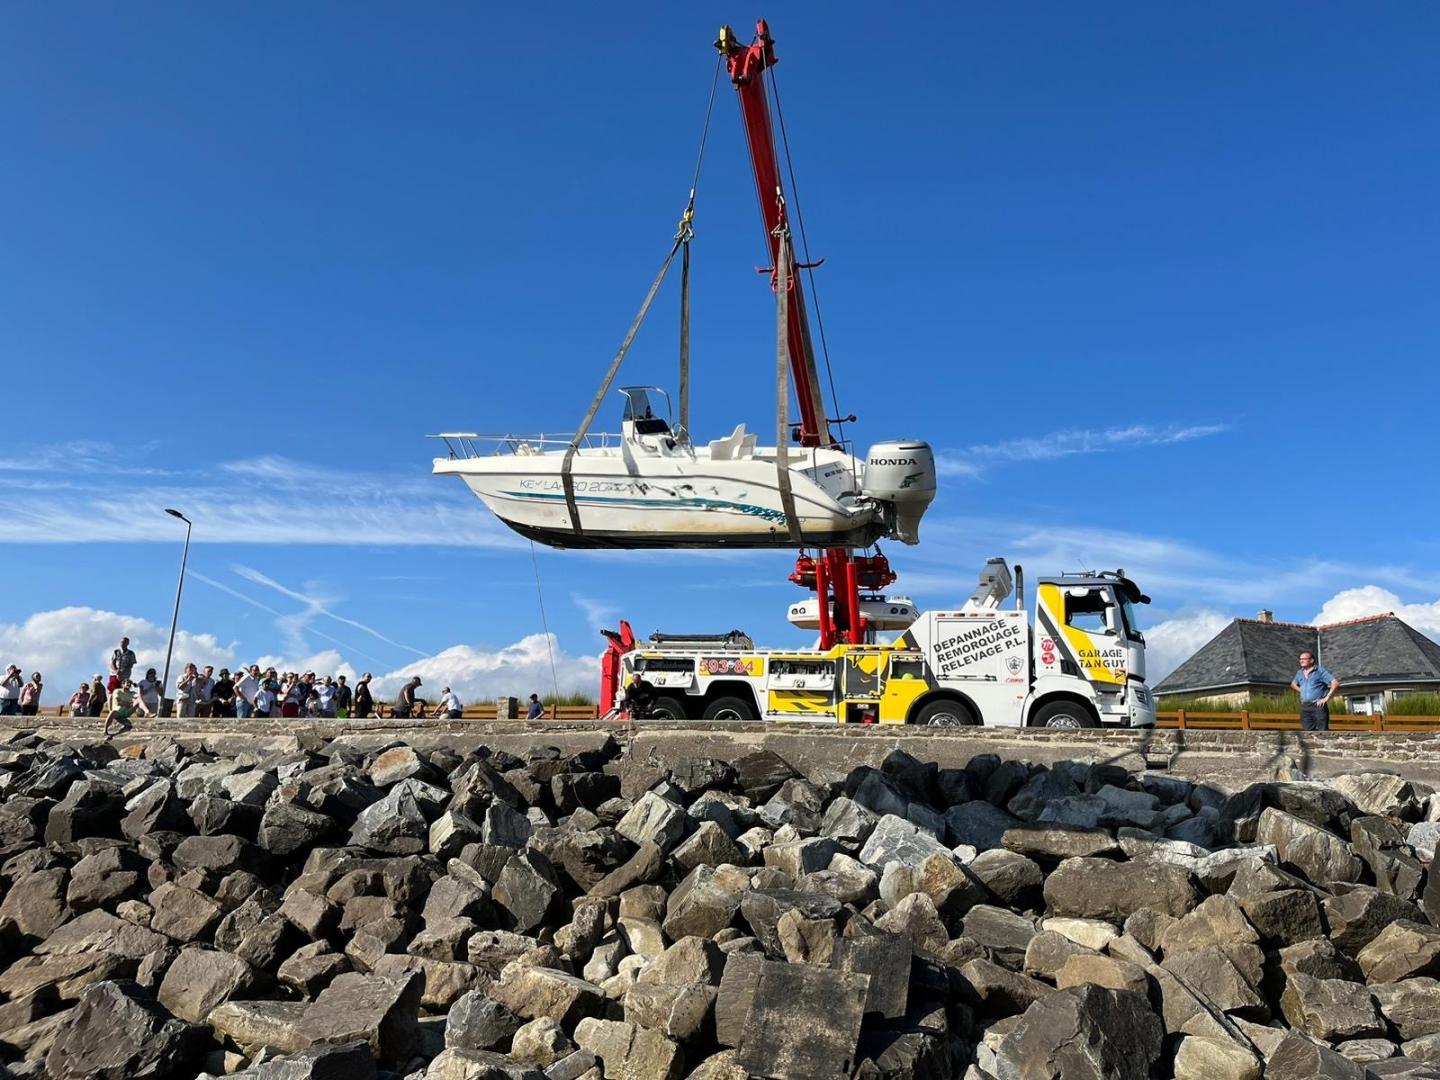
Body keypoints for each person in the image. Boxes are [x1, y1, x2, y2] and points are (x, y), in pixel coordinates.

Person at [1291, 650, 1340, 732]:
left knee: (1323, 732)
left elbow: (1335, 683)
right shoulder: (1299, 672)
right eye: (1300, 659)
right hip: (1305, 707)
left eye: (1304, 659)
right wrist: (1302, 691)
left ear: (1311, 660)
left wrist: (1326, 698)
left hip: (1318, 706)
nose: (1301, 661)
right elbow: (1293, 684)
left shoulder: (1319, 671)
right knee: (1307, 733)